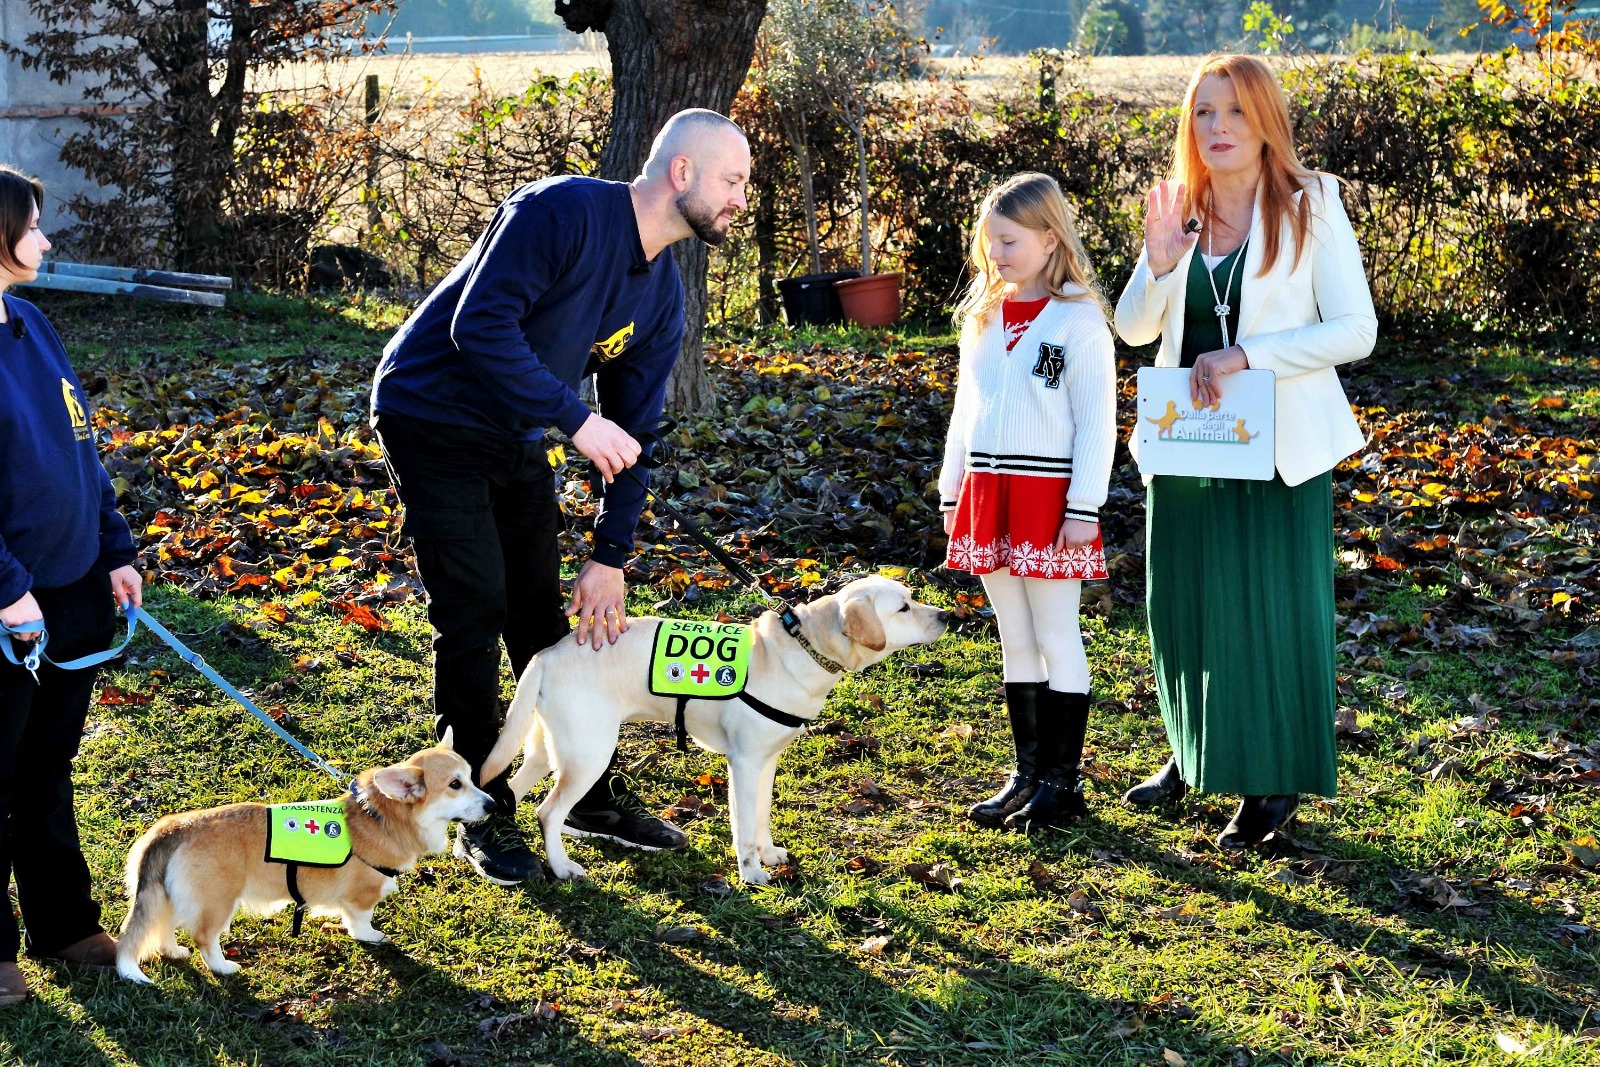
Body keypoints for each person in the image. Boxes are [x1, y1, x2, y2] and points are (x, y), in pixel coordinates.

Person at [371, 109, 751, 885]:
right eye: (732, 180)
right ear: (681, 173)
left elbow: (634, 436)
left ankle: (586, 793)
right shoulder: (561, 211)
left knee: (542, 618)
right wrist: (575, 418)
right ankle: (477, 808)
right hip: (430, 411)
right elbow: (479, 326)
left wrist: (610, 555)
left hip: (513, 429)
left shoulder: (665, 295)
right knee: (474, 607)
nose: (741, 199)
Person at [1113, 55, 1377, 849]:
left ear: (1266, 122)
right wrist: (1159, 265)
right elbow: (1131, 329)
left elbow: (1355, 330)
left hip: (1279, 447)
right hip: (1187, 441)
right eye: (1203, 113)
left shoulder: (1313, 202)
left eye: (1233, 112)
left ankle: (1270, 782)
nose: (1218, 128)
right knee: (1185, 606)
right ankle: (1195, 751)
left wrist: (1249, 355)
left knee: (1270, 608)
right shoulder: (1178, 209)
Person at [0, 166, 145, 1004]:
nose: (46, 240)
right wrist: (6, 588)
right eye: (31, 227)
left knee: (46, 764)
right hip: (7, 603)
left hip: (67, 588)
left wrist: (114, 548)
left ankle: (61, 921)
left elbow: (81, 446)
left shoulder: (34, 324)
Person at [937, 172, 1117, 833]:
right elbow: (967, 408)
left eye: (1009, 242)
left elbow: (1098, 421)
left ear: (1049, 238)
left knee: (1054, 633)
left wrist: (1084, 506)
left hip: (1049, 497)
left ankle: (1061, 784)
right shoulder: (982, 319)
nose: (997, 255)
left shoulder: (1078, 322)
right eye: (989, 243)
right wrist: (949, 490)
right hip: (988, 490)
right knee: (1014, 635)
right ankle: (1027, 773)